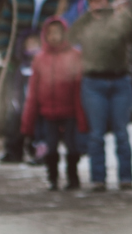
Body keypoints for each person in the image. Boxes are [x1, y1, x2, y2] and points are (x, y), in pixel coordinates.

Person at [71, 0, 132, 191]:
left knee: (121, 133)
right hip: (93, 82)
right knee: (97, 134)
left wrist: (125, 14)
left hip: (120, 80)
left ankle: (126, 177)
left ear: (108, 0)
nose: (97, 3)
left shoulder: (119, 19)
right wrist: (86, 16)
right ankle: (98, 178)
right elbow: (69, 37)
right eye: (93, 0)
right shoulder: (85, 23)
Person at [0, 0, 62, 164]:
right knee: (15, 106)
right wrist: (6, 53)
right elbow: (5, 25)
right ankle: (13, 147)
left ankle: (37, 147)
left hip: (44, 60)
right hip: (19, 59)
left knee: (39, 106)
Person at [21, 17, 87, 191]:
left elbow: (78, 87)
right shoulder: (40, 59)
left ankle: (73, 177)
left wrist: (82, 118)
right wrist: (28, 124)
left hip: (70, 112)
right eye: (51, 33)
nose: (54, 37)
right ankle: (52, 178)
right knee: (51, 147)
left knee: (72, 147)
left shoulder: (74, 55)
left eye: (58, 33)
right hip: (48, 113)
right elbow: (33, 92)